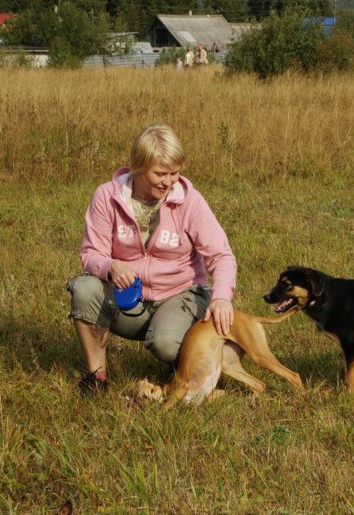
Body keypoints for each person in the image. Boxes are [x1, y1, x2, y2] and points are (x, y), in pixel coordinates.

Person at [66, 124, 236, 395]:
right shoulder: (106, 197)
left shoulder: (189, 201)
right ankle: (96, 379)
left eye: (175, 173)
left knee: (165, 343)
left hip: (180, 294)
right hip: (130, 301)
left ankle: (186, 363)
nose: (169, 182)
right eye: (160, 173)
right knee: (84, 289)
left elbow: (221, 255)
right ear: (137, 166)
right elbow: (89, 254)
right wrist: (110, 266)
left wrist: (221, 297)